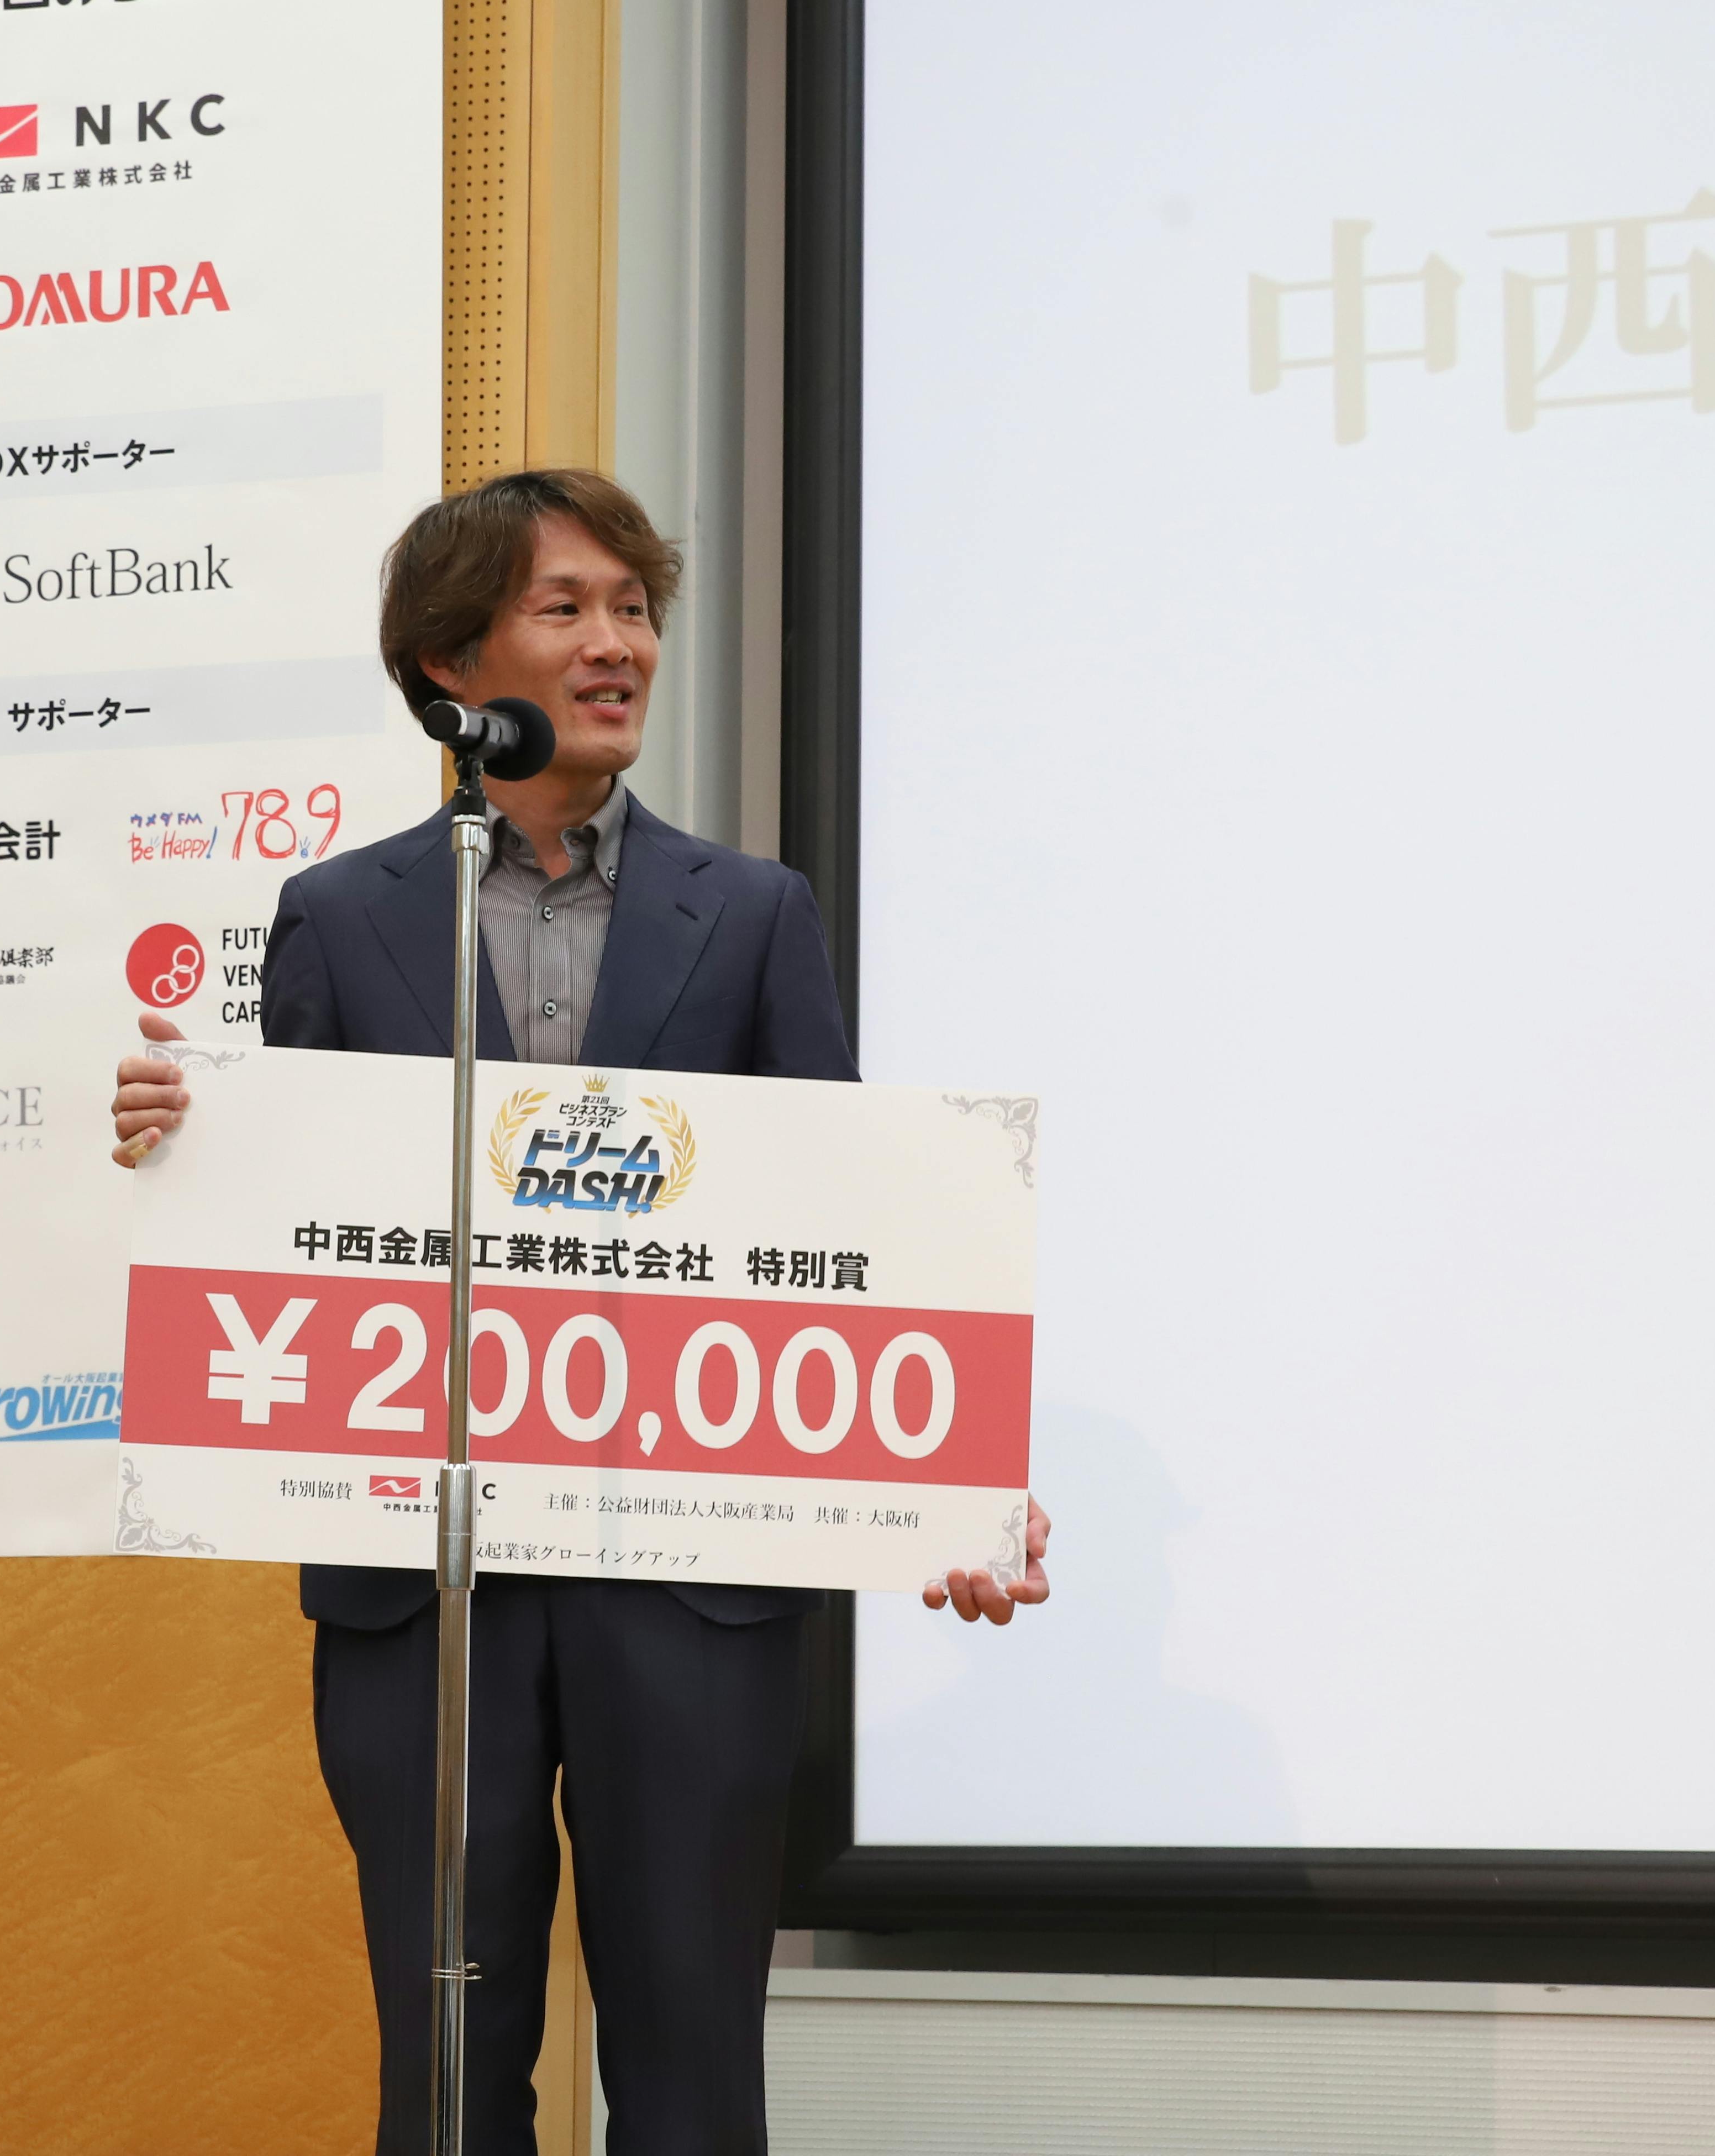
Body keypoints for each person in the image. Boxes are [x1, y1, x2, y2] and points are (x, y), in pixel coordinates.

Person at [111, 469, 1050, 2154]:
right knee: (448, 2058)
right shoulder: (340, 915)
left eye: (634, 609)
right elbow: (299, 1219)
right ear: (451, 667)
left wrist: (955, 1488)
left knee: (690, 2058)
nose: (619, 644)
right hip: (427, 1580)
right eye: (567, 609)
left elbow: (838, 1225)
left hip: (688, 1577)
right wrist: (193, 1136)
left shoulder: (751, 912)